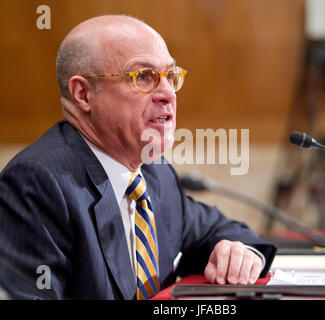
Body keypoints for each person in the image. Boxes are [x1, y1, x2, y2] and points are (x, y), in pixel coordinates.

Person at [0, 15, 276, 300]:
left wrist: (237, 252)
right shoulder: (38, 183)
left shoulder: (154, 172)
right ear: (83, 94)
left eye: (170, 76)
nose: (168, 93)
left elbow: (217, 229)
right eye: (143, 77)